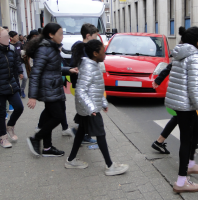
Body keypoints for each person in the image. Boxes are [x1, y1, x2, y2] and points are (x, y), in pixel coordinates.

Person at [65, 39, 129, 175]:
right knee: (101, 134)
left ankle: (70, 160)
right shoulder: (89, 67)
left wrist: (103, 103)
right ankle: (110, 166)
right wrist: (92, 108)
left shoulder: (93, 65)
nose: (105, 54)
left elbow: (96, 88)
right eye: (103, 52)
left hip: (88, 107)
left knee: (81, 132)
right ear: (95, 53)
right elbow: (81, 90)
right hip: (89, 109)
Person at [166, 26, 198, 193]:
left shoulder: (181, 52)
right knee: (186, 140)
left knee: (196, 129)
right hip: (186, 103)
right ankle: (181, 181)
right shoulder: (196, 57)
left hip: (181, 101)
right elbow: (195, 88)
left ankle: (190, 164)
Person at [25, 23, 78, 157]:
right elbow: (36, 73)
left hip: (54, 86)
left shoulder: (52, 47)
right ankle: (36, 138)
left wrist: (68, 70)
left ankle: (47, 148)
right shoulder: (44, 49)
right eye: (60, 33)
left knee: (50, 116)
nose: (62, 36)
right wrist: (32, 96)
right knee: (58, 117)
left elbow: (53, 68)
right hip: (49, 88)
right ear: (51, 35)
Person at [151, 63, 198, 154]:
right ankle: (190, 158)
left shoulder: (183, 54)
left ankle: (159, 141)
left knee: (177, 118)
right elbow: (171, 66)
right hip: (183, 98)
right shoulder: (188, 55)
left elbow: (169, 67)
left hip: (179, 96)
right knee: (195, 128)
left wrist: (158, 79)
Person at [69, 23, 100, 144]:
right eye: (95, 36)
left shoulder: (81, 48)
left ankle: (80, 132)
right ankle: (81, 134)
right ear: (88, 36)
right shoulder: (82, 49)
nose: (96, 39)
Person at [9, 31, 27, 98]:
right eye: (16, 37)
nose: (17, 38)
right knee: (15, 79)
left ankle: (22, 89)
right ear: (11, 37)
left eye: (17, 36)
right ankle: (17, 92)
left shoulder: (19, 43)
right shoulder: (9, 46)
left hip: (21, 63)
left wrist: (24, 54)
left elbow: (23, 51)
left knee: (25, 77)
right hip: (13, 65)